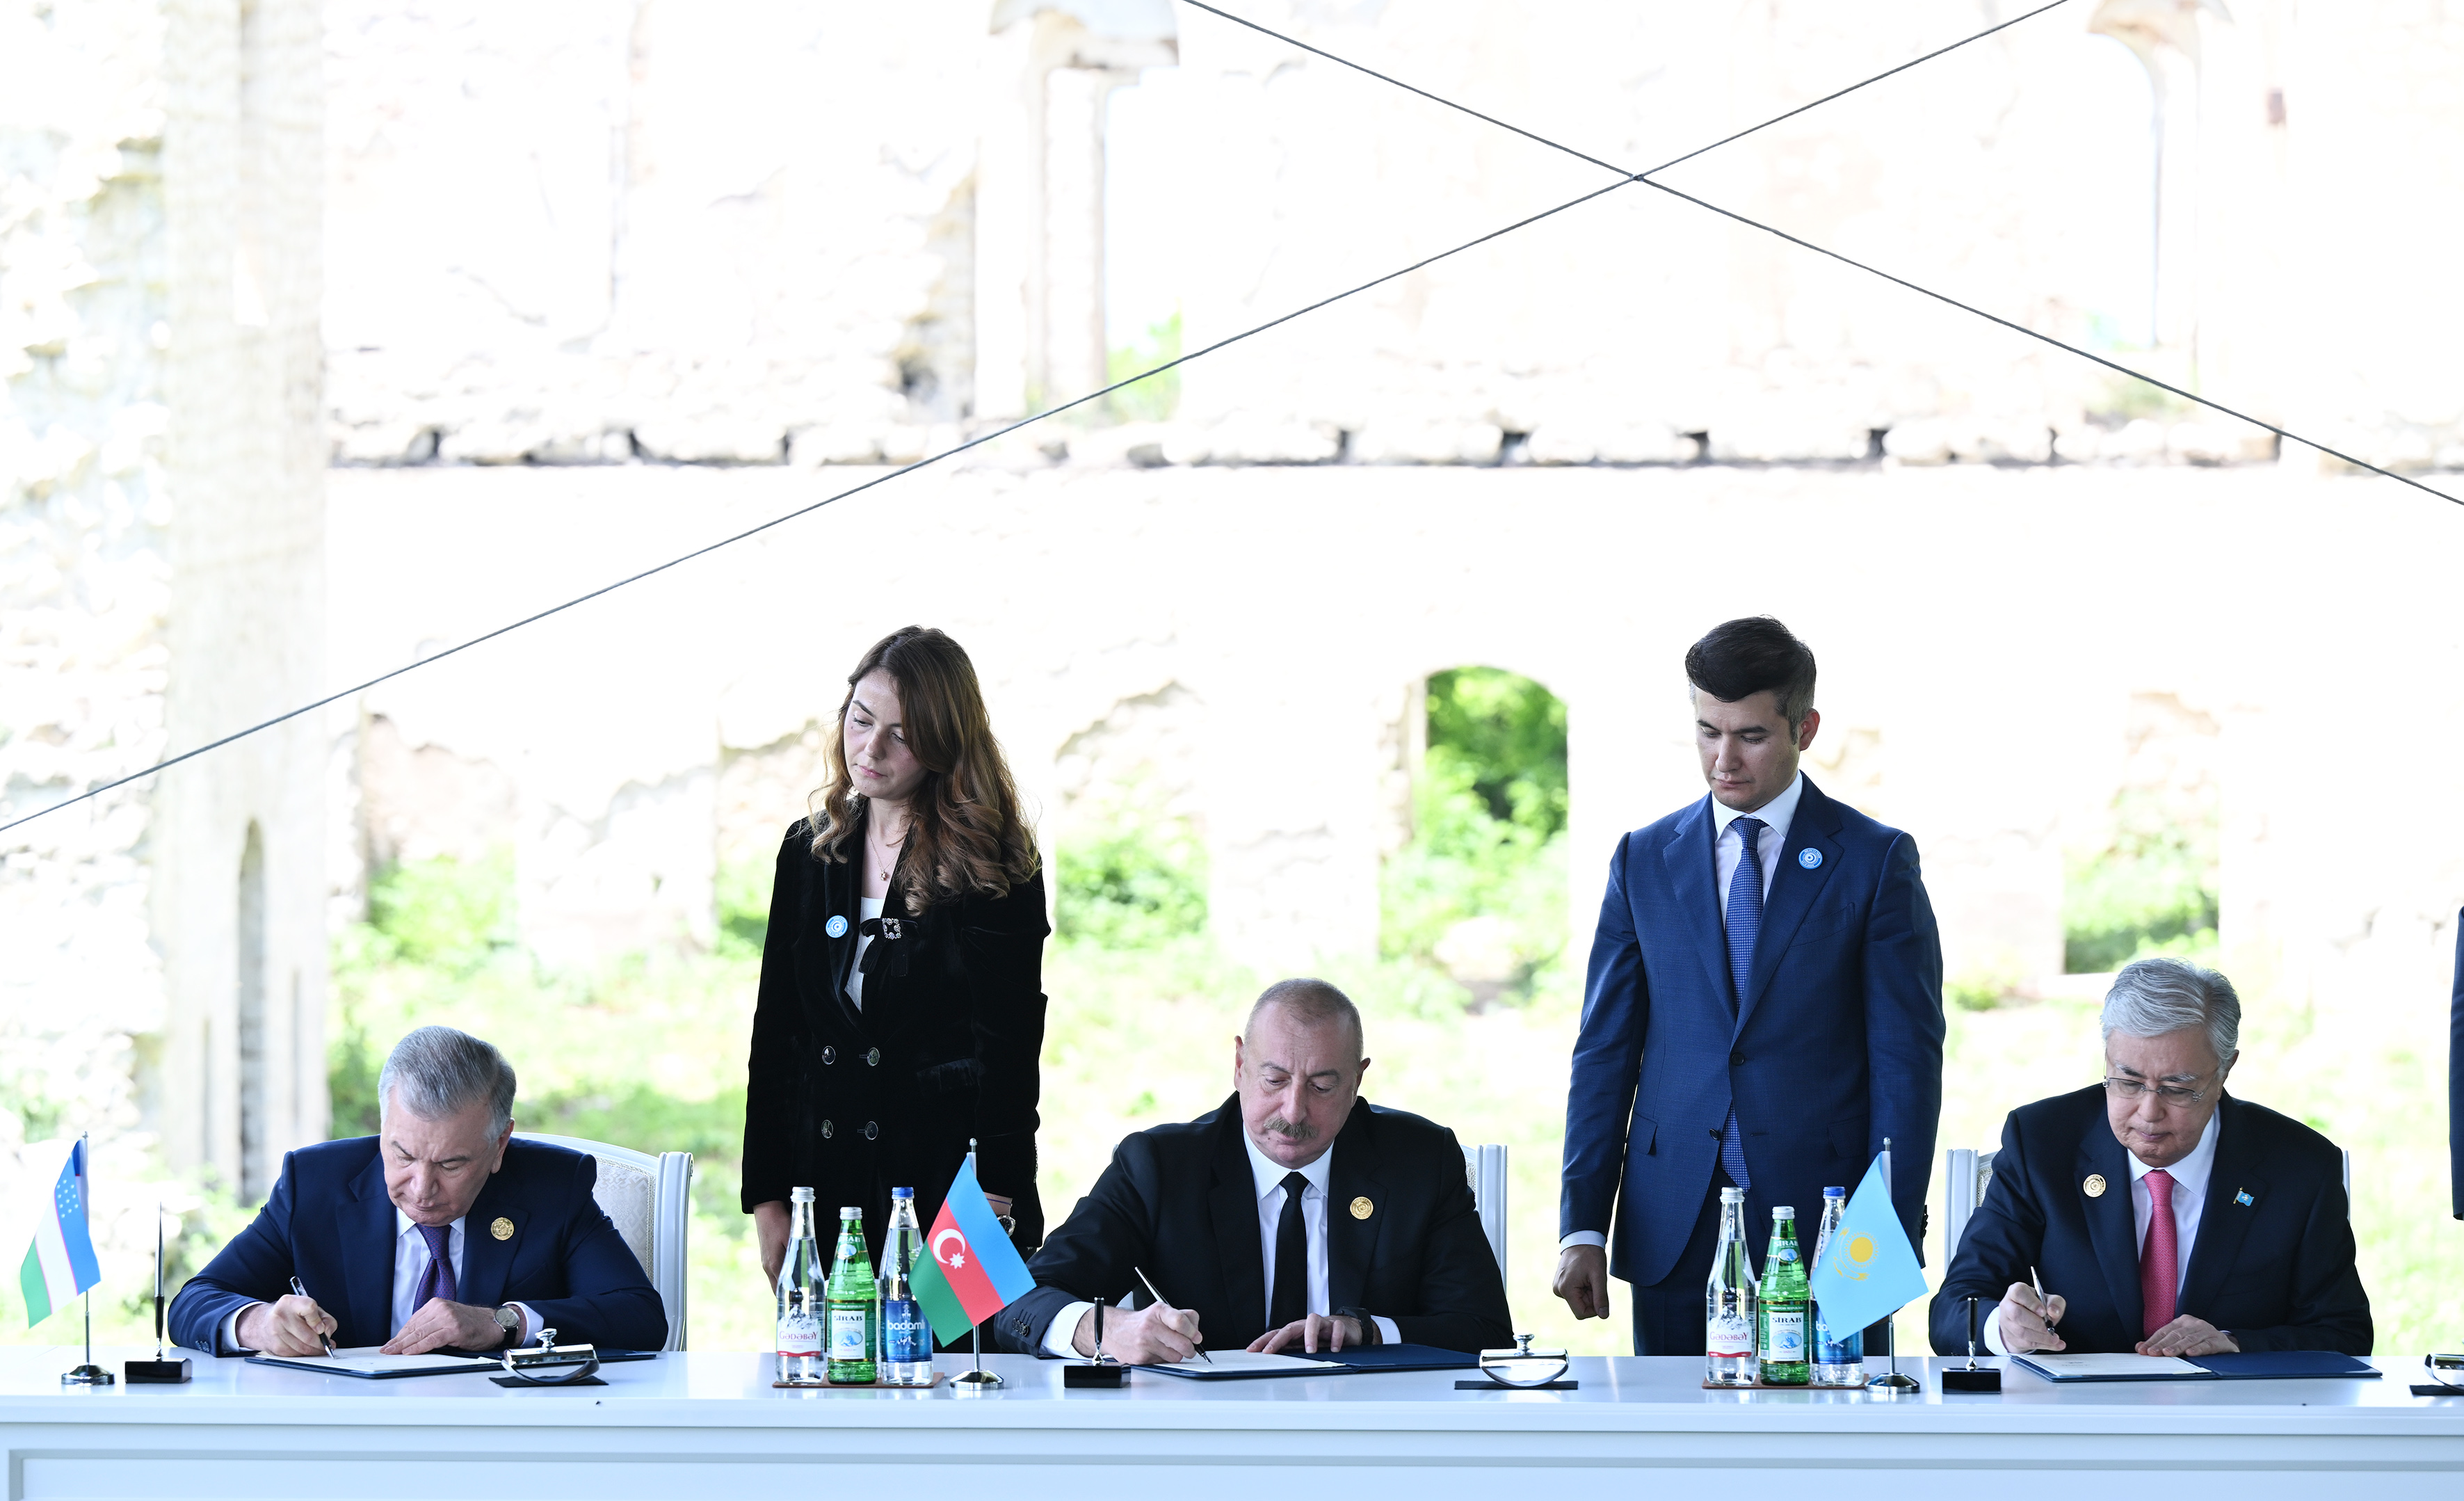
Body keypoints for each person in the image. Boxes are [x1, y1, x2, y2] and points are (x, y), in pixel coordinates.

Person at [1556, 616, 1945, 1355]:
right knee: (1677, 1457)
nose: (1722, 758)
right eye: (1707, 731)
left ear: (1807, 727)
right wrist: (1583, 1223)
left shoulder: (1874, 861)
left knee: (1832, 1454)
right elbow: (1604, 1052)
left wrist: (1884, 1232)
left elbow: (1907, 1062)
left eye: (1751, 736)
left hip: (1830, 1226)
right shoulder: (1642, 859)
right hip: (1674, 1218)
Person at [741, 625, 1048, 1290]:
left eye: (901, 734)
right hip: (823, 1182)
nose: (870, 748)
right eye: (860, 720)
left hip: (950, 1187)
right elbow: (777, 1035)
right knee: (830, 1373)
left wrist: (998, 1192)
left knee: (947, 1372)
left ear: (943, 741)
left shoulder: (997, 864)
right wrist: (768, 1197)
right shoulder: (808, 849)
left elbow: (1011, 1048)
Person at [995, 979, 1512, 1360]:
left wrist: (1369, 1331)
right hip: (1205, 1442)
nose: (1292, 1111)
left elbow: (1484, 1330)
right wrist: (1107, 1331)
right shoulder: (1159, 1167)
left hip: (1371, 1436)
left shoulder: (1420, 1161)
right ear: (1239, 1064)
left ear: (1358, 1080)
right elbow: (1021, 1300)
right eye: (1274, 1079)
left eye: (1323, 1086)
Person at [1931, 958, 2371, 1358]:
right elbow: (1954, 1309)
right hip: (2080, 1421)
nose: (2149, 1112)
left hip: (2232, 1426)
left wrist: (2237, 1344)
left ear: (2224, 1071)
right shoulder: (2043, 1143)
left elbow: (2345, 1333)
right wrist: (2003, 1328)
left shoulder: (2300, 1167)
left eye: (2178, 1089)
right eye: (2127, 1081)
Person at [168, 1026, 665, 1355]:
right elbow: (193, 1303)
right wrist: (257, 1324)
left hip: (503, 1443)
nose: (422, 1189)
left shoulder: (552, 1186)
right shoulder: (315, 1184)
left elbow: (639, 1317)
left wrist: (504, 1321)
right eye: (402, 1156)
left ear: (499, 1145)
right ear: (383, 1126)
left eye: (452, 1163)